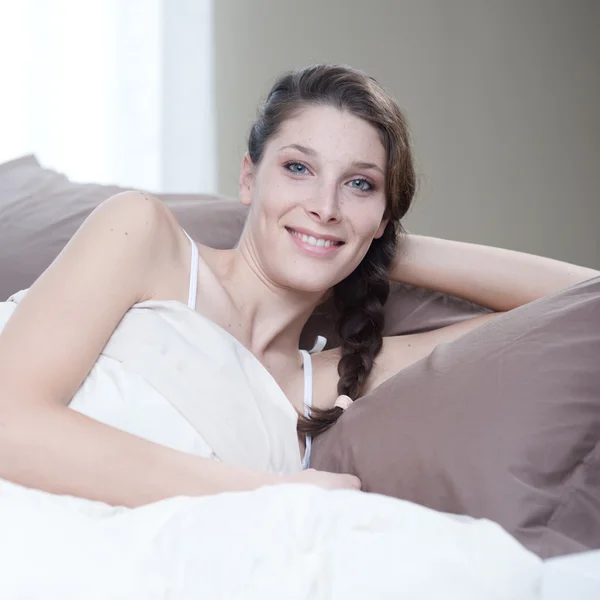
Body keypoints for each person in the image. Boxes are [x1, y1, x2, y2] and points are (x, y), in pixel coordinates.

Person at [0, 64, 597, 510]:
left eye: (360, 184)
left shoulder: (326, 384)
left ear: (385, 214)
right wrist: (272, 491)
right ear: (248, 177)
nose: (324, 205)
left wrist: (378, 244)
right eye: (298, 168)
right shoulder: (142, 235)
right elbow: (10, 424)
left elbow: (580, 307)